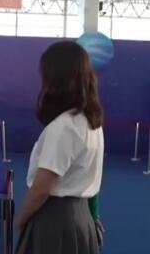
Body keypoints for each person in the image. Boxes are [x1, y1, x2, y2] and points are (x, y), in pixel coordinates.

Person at [15, 41, 105, 254]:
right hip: (81, 217)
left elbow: (42, 189)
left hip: (55, 222)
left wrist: (20, 220)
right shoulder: (91, 123)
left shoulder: (64, 127)